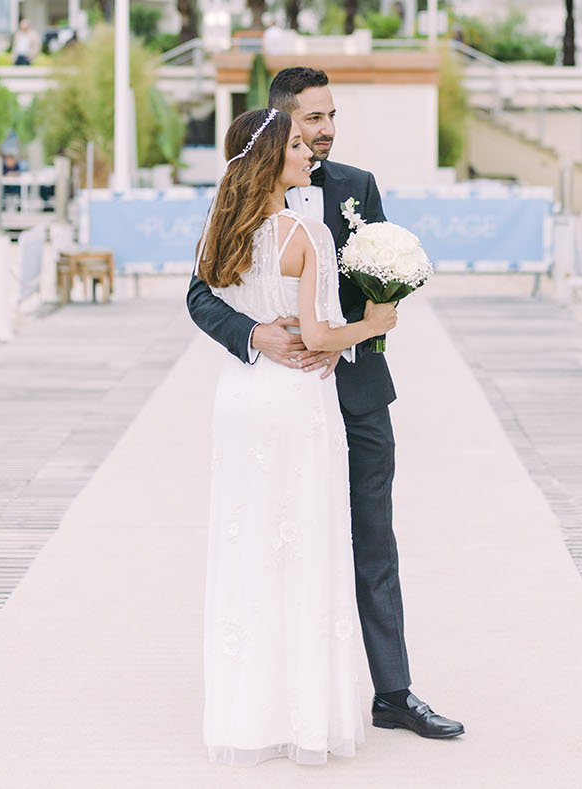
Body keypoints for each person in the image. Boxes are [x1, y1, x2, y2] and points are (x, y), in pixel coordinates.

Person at [188, 67, 464, 743]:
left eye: (332, 115)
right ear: (282, 123)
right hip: (282, 394)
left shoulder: (356, 188)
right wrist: (253, 334)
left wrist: (356, 331)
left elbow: (388, 273)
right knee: (284, 540)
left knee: (373, 538)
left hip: (357, 392)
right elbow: (201, 293)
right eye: (313, 119)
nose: (326, 131)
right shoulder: (239, 191)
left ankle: (392, 691)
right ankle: (291, 690)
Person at [196, 107, 397, 765]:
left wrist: (257, 337)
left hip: (240, 399)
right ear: (271, 157)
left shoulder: (222, 228)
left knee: (248, 547)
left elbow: (208, 292)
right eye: (295, 142)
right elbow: (315, 338)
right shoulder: (303, 230)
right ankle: (305, 714)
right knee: (305, 549)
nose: (308, 149)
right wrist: (373, 322)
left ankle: (246, 711)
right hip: (293, 404)